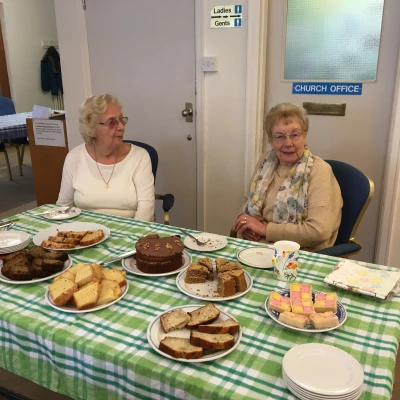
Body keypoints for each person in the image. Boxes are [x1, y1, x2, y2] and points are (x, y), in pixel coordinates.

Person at [234, 102, 342, 252]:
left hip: (298, 254)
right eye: (279, 136)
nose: (288, 143)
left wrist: (265, 230)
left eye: (295, 134)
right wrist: (245, 221)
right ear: (270, 140)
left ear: (304, 135)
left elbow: (319, 231)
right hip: (255, 246)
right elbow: (247, 200)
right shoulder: (265, 161)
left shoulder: (319, 171)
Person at [57, 93, 155, 220]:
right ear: (92, 128)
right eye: (112, 122)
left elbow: (146, 211)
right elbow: (64, 207)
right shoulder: (75, 157)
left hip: (129, 231)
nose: (121, 127)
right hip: (85, 232)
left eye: (121, 120)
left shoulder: (140, 157)